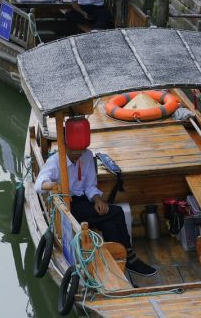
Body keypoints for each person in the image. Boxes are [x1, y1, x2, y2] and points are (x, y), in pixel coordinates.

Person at [35, 118, 156, 278]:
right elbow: (38, 185)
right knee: (117, 212)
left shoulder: (87, 155)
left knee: (110, 223)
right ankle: (130, 257)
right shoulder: (55, 161)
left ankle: (117, 261)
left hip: (84, 202)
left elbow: (90, 186)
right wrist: (53, 186)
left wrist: (98, 200)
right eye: (74, 150)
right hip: (69, 207)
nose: (79, 154)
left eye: (82, 150)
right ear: (65, 145)